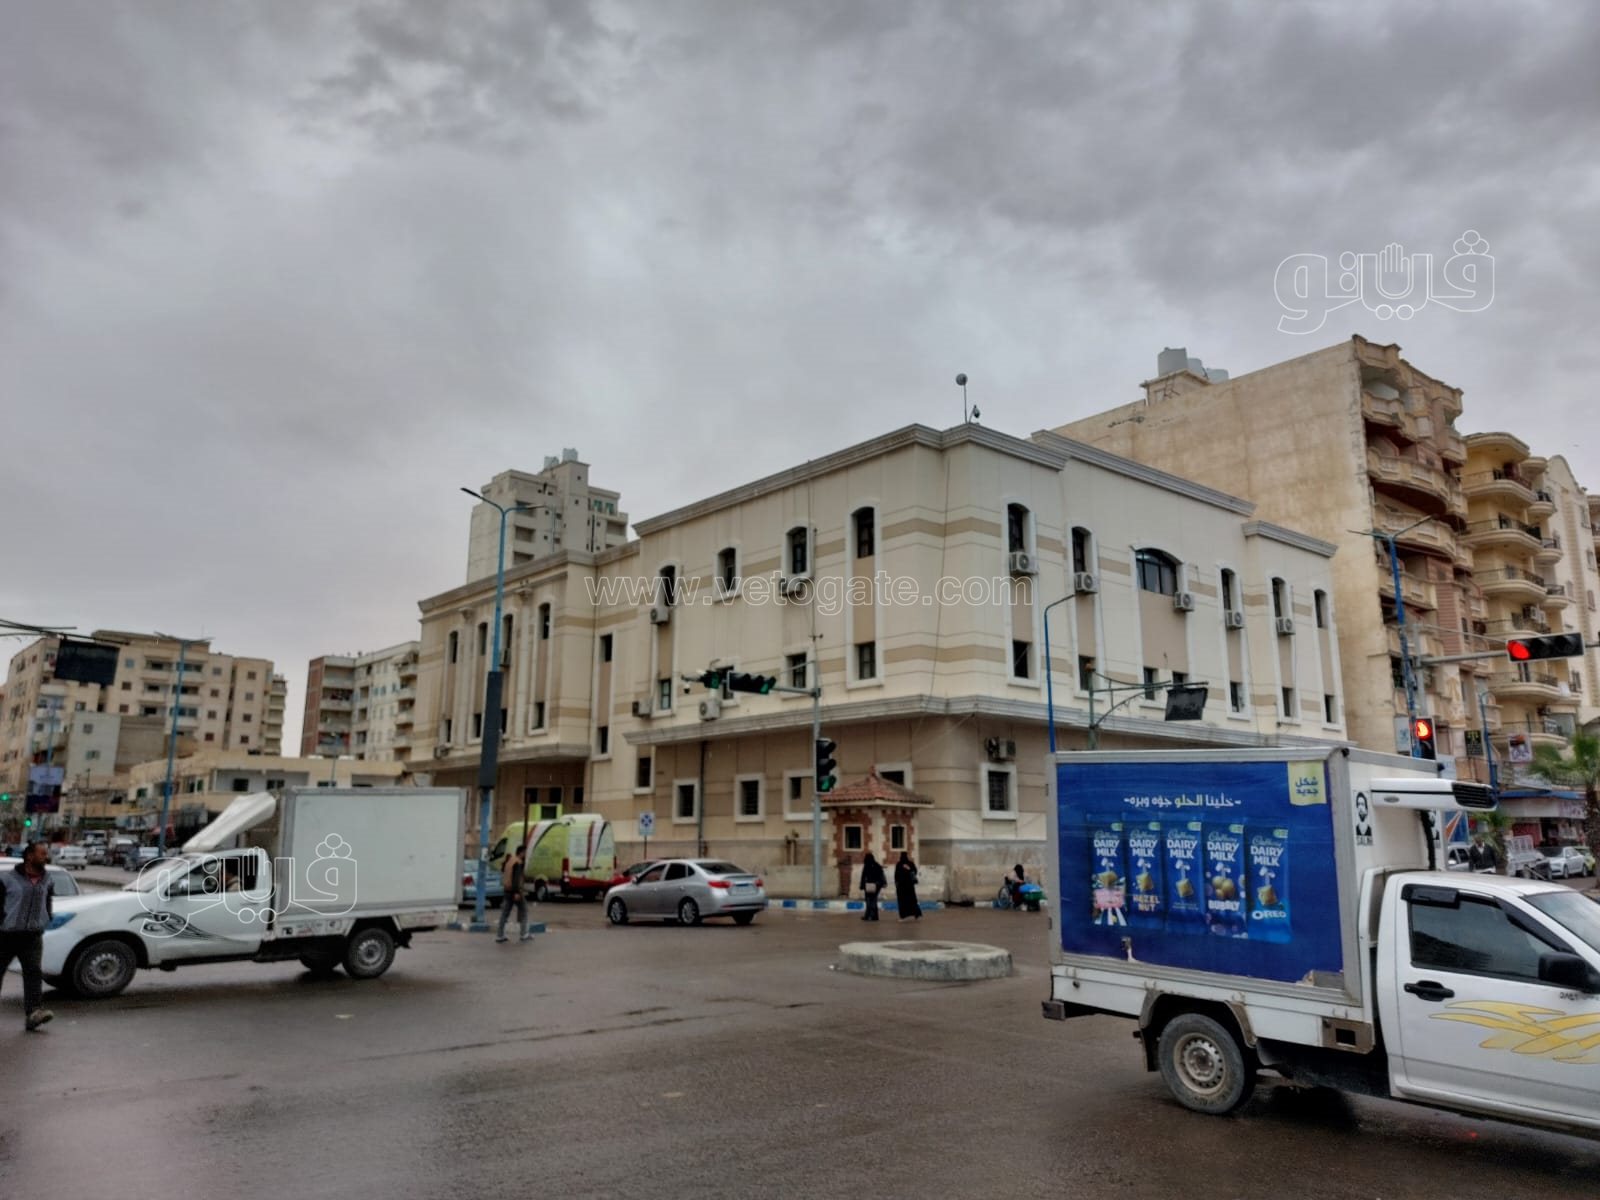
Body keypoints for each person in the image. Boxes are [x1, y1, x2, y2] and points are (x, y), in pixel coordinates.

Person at [0, 842, 56, 1031]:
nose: (45, 857)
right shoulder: (7, 879)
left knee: (33, 973)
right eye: (42, 853)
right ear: (29, 856)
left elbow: (47, 901)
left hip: (32, 936)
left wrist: (46, 919)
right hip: (6, 935)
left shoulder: (47, 879)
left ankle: (34, 1013)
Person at [497, 844, 532, 943]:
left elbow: (505, 873)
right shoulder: (518, 862)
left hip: (507, 890)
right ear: (521, 852)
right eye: (525, 852)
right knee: (524, 911)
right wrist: (517, 892)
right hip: (515, 891)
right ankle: (524, 934)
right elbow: (516, 879)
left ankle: (500, 935)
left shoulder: (510, 861)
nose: (525, 854)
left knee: (504, 913)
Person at [894, 850, 922, 921]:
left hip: (902, 886)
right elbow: (914, 871)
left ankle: (903, 916)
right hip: (909, 886)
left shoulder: (899, 864)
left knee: (902, 902)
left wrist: (897, 884)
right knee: (912, 900)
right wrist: (909, 869)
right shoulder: (910, 863)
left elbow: (896, 875)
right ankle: (916, 914)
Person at [860, 852, 887, 921]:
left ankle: (868, 916)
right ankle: (874, 916)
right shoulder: (876, 865)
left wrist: (862, 886)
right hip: (877, 885)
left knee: (869, 900)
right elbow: (881, 874)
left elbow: (863, 876)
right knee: (873, 900)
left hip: (869, 885)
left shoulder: (867, 866)